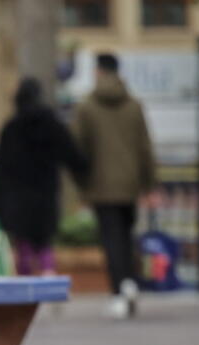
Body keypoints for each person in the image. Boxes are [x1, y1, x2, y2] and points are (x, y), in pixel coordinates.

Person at [73, 53, 157, 319]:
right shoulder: (134, 105)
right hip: (130, 184)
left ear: (98, 71)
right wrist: (150, 184)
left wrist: (82, 184)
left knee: (111, 240)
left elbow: (78, 148)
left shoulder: (86, 107)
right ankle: (129, 281)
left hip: (101, 185)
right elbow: (145, 147)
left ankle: (120, 289)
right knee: (126, 235)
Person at [0, 78, 87, 277]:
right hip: (44, 194)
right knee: (44, 240)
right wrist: (84, 170)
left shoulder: (11, 128)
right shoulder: (52, 124)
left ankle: (26, 282)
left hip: (17, 198)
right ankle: (48, 274)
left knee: (23, 242)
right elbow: (72, 155)